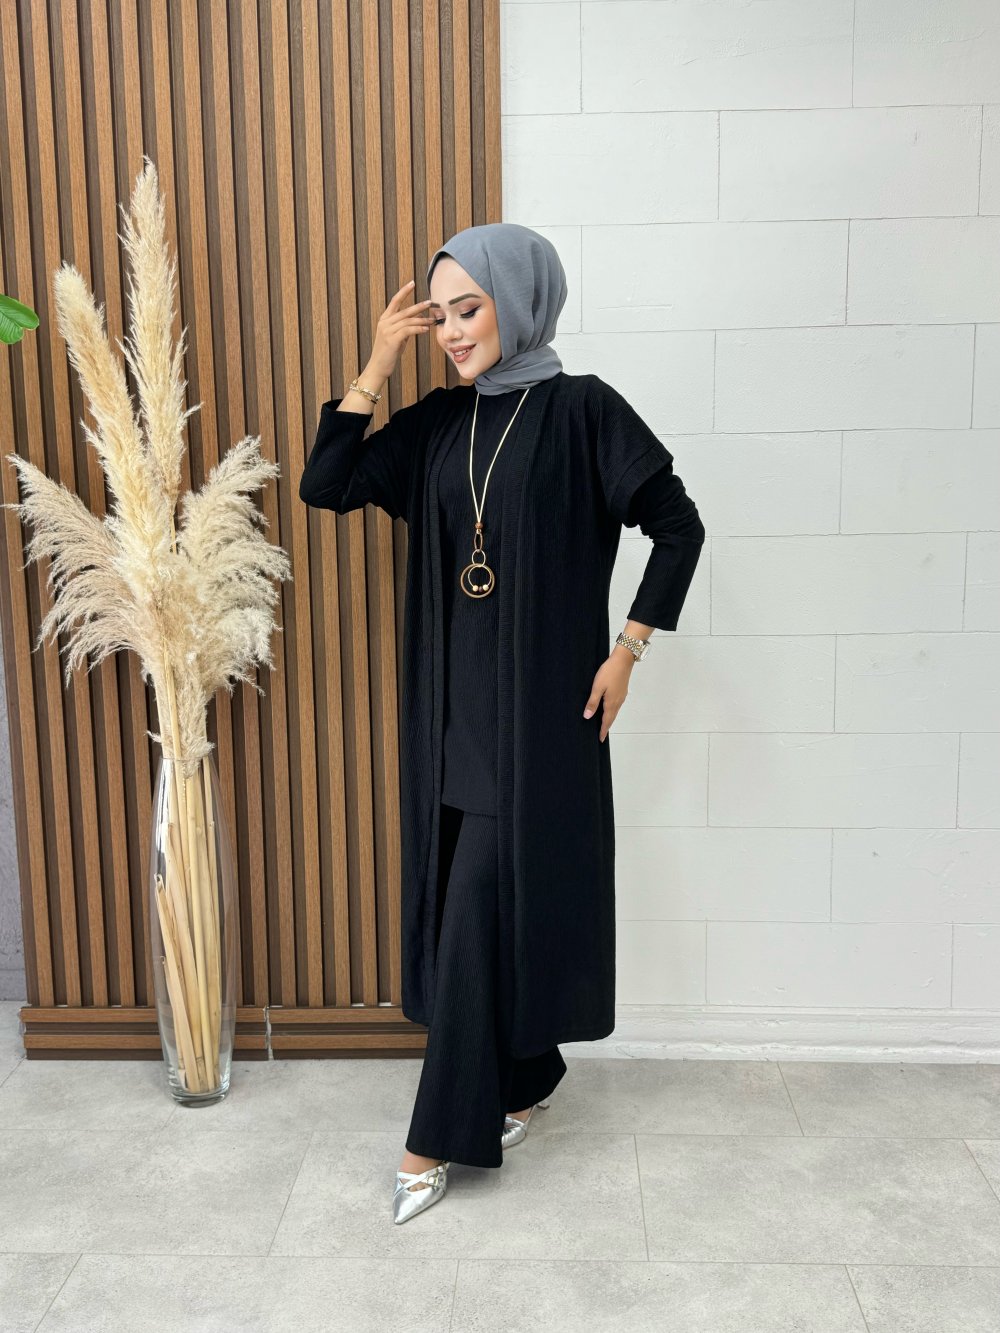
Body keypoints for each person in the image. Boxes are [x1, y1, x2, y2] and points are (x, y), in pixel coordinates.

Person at [299, 223, 706, 1225]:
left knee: (479, 907)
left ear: (520, 304)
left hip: (543, 718)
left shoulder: (582, 411)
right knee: (471, 904)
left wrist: (628, 649)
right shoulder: (440, 423)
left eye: (469, 309)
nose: (451, 331)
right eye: (439, 314)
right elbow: (328, 485)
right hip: (451, 718)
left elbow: (676, 523)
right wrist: (376, 363)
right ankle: (528, 1070)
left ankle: (432, 1138)